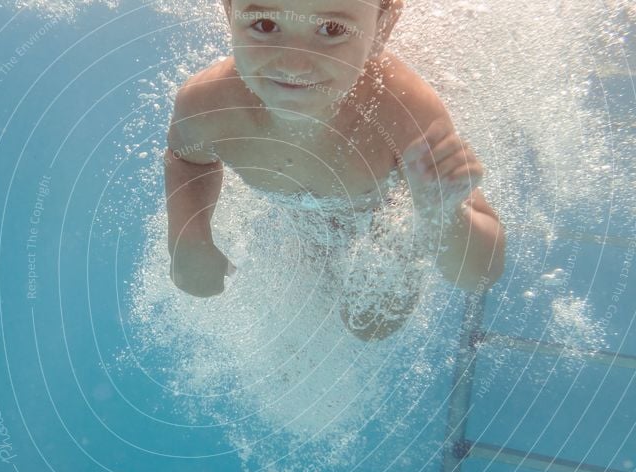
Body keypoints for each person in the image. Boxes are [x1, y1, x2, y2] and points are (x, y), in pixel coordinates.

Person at [164, 0, 505, 340]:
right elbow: (187, 159)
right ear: (229, 12)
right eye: (265, 25)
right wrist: (188, 236)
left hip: (383, 218)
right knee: (303, 317)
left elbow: (480, 276)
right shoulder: (206, 103)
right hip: (305, 222)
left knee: (369, 325)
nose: (293, 64)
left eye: (333, 29)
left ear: (381, 28)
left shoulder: (406, 117)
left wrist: (442, 212)